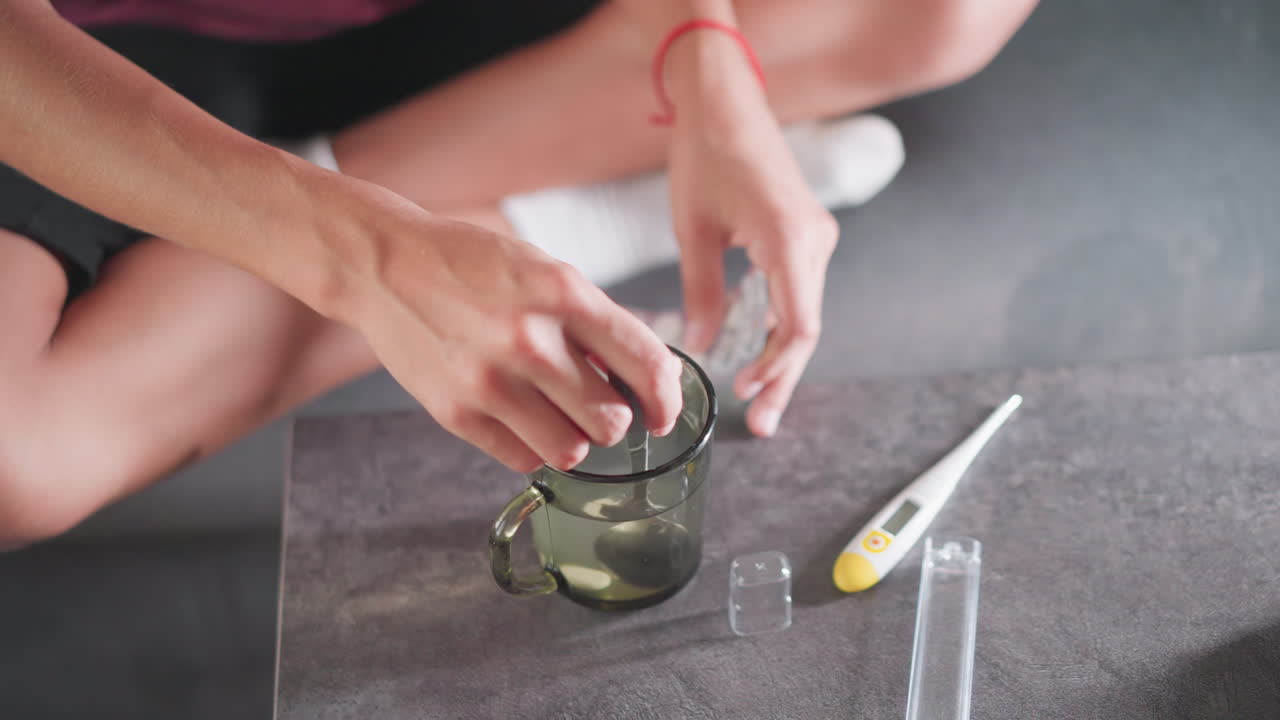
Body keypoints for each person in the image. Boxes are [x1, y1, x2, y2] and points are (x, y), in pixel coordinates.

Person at [0, 0, 1037, 547]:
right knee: (18, 464)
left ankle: (472, 190)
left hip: (475, 22)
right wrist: (367, 262)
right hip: (91, 64)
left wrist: (701, 61)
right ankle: (548, 205)